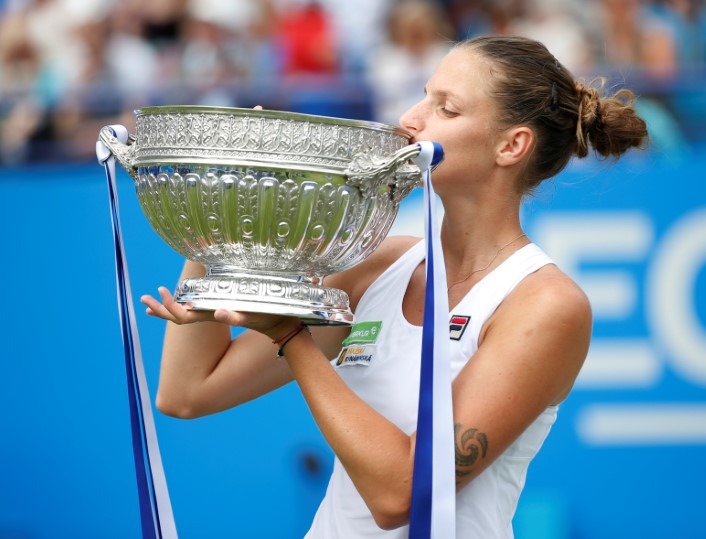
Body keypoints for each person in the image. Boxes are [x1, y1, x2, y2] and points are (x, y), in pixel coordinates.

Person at [142, 35, 648, 538]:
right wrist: (228, 194)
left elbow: (401, 494)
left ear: (511, 145)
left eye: (445, 108)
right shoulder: (376, 264)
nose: (410, 118)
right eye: (423, 95)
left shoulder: (546, 305)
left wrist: (292, 339)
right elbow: (188, 393)